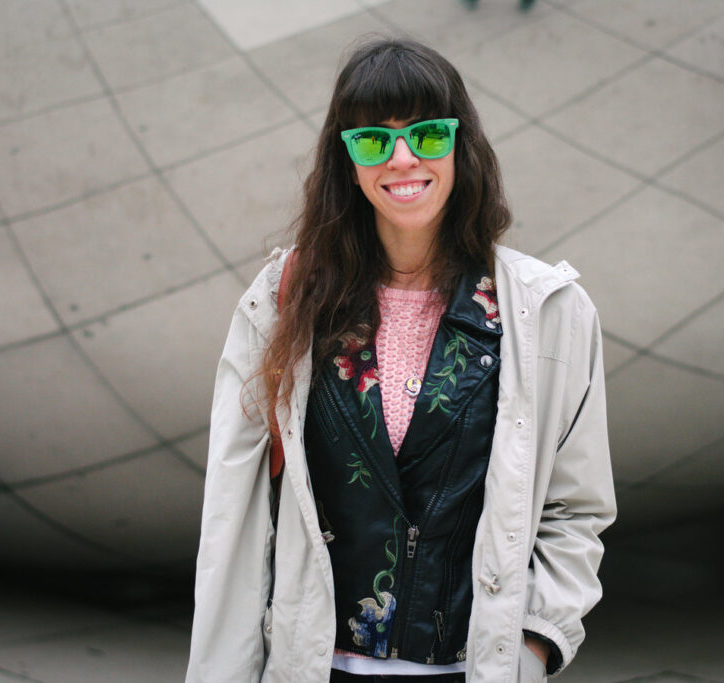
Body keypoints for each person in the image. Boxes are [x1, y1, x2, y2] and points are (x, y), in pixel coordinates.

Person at [186, 37, 615, 683]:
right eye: (373, 140)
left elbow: (574, 508)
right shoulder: (283, 301)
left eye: (428, 134)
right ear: (347, 161)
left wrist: (534, 645)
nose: (404, 157)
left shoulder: (547, 310)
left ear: (461, 146)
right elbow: (235, 515)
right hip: (315, 667)